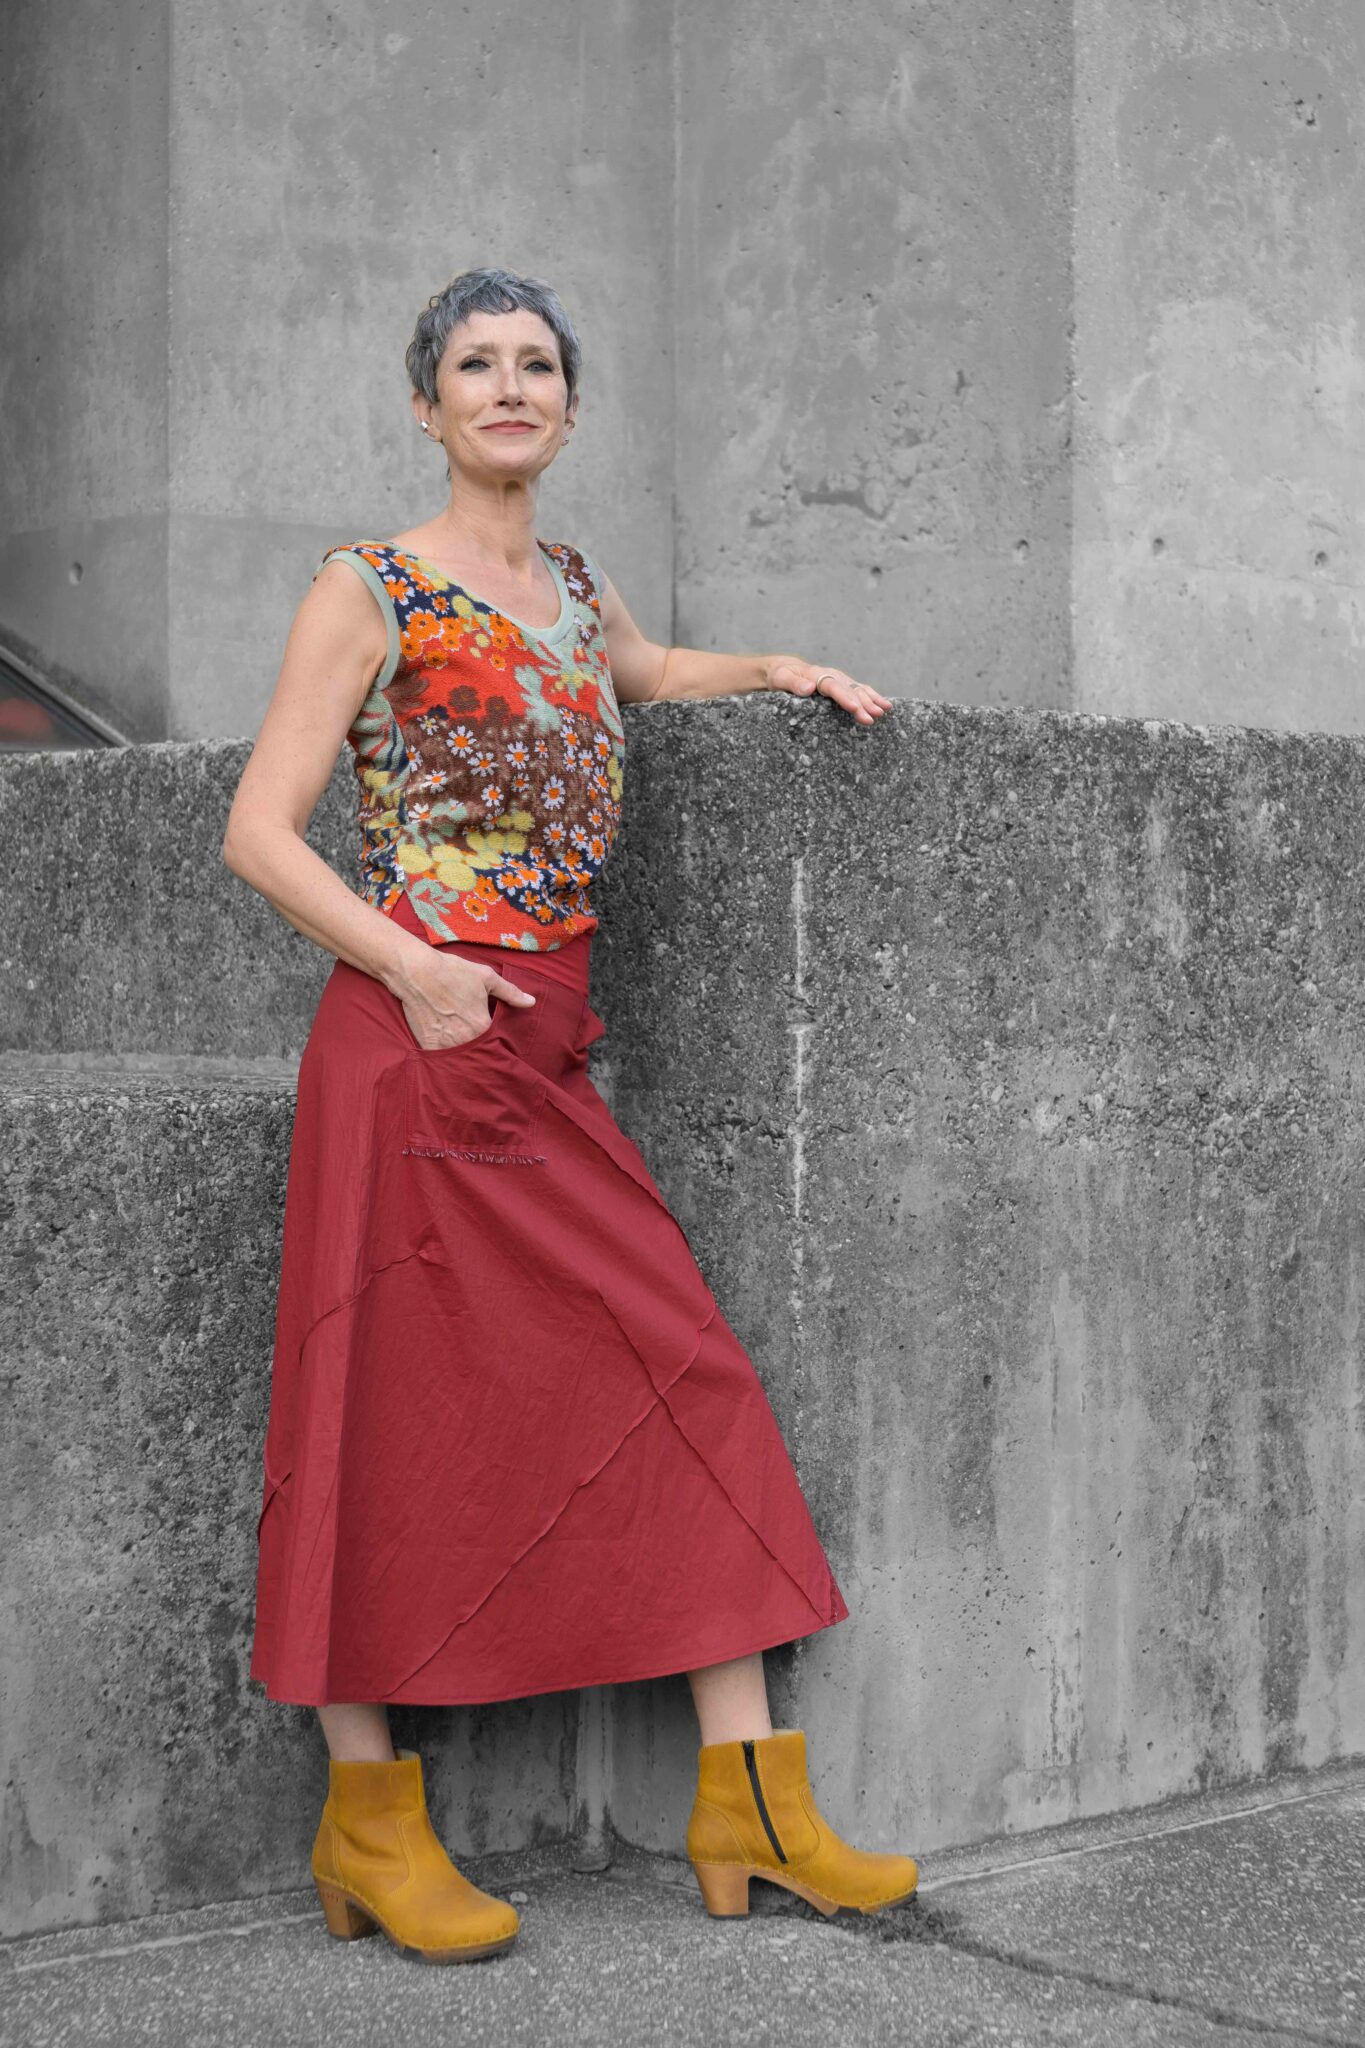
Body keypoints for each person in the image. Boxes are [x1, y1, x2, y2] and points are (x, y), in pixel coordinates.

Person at [223, 265, 918, 1966]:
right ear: (427, 405)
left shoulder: (577, 586)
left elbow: (644, 670)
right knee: (375, 1420)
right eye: (475, 365)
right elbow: (257, 831)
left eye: (536, 364)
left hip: (539, 1050)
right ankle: (370, 1825)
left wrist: (780, 665)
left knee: (684, 1374)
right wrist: (416, 970)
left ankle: (752, 1810)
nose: (509, 387)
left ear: (571, 407)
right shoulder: (369, 585)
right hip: (416, 1045)